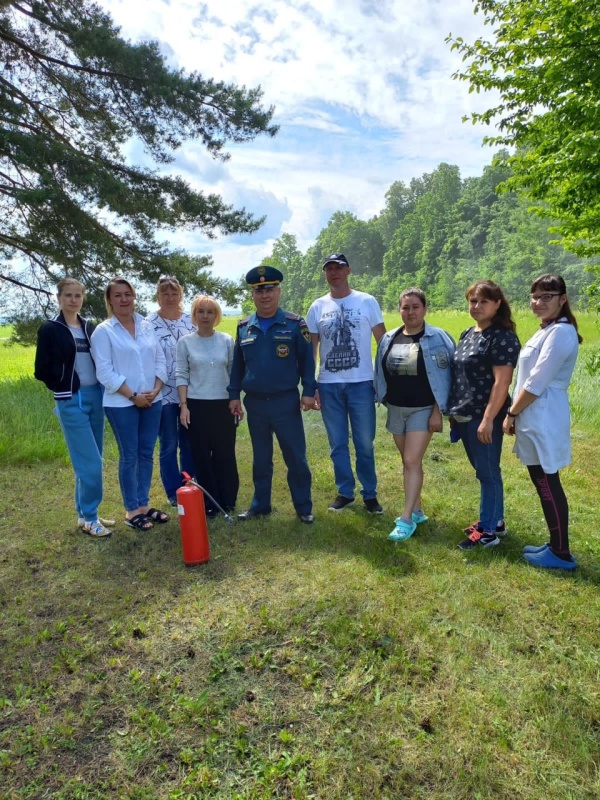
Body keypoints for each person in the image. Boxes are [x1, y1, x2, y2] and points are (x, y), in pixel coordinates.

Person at [503, 275, 581, 571]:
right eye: (535, 296)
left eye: (547, 296)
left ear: (562, 299)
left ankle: (561, 552)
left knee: (547, 481)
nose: (539, 302)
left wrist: (511, 413)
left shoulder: (561, 333)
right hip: (534, 413)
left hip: (543, 413)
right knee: (542, 479)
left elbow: (536, 382)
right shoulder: (547, 330)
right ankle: (555, 543)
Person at [228, 266, 316, 523]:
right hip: (255, 404)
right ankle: (260, 504)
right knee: (261, 458)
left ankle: (303, 507)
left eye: (269, 289)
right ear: (252, 295)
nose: (264, 295)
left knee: (296, 457)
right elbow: (238, 366)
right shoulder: (245, 326)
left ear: (278, 291)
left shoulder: (295, 323)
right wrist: (234, 394)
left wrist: (309, 391)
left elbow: (307, 361)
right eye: (259, 291)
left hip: (285, 402)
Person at [306, 253, 386, 514]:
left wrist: (381, 381)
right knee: (337, 442)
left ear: (348, 270)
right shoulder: (317, 307)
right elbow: (312, 349)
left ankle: (370, 494)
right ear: (325, 273)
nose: (334, 272)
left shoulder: (366, 301)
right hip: (328, 384)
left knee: (364, 442)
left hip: (361, 383)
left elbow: (382, 342)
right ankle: (345, 491)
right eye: (329, 268)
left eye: (338, 267)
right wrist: (311, 385)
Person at [374, 288, 455, 541]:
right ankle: (418, 509)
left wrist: (436, 411)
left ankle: (406, 519)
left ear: (424, 309)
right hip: (396, 409)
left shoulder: (439, 338)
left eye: (415, 307)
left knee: (410, 461)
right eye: (405, 307)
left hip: (423, 409)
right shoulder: (389, 338)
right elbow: (380, 370)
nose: (410, 312)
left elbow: (449, 377)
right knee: (409, 462)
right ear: (400, 309)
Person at [34, 278, 113, 538]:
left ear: (83, 298)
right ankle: (91, 519)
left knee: (91, 458)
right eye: (68, 295)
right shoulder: (50, 329)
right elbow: (41, 370)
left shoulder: (90, 328)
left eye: (78, 295)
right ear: (59, 297)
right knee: (91, 463)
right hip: (71, 399)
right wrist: (63, 387)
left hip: (96, 397)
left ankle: (83, 514)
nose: (73, 300)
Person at [91, 277, 168, 531]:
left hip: (152, 400)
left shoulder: (145, 325)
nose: (124, 299)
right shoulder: (104, 331)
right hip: (121, 403)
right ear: (110, 300)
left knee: (146, 453)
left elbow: (159, 359)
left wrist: (155, 391)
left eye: (128, 294)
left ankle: (144, 505)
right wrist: (133, 395)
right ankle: (131, 510)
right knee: (130, 454)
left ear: (134, 296)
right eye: (118, 295)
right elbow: (104, 371)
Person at [448, 280, 520, 550]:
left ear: (497, 304)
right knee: (484, 470)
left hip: (484, 416)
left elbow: (502, 383)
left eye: (483, 301)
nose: (476, 306)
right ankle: (496, 521)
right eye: (472, 301)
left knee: (488, 473)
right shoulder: (468, 333)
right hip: (465, 414)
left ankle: (487, 530)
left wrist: (489, 419)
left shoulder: (502, 337)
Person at [176, 294, 239, 516]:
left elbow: (233, 372)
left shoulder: (226, 341)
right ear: (194, 315)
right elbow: (181, 374)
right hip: (196, 405)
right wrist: (183, 405)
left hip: (223, 404)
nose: (205, 316)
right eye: (200, 312)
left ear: (217, 316)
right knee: (202, 455)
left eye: (210, 312)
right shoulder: (185, 342)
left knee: (224, 453)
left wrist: (236, 399)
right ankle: (210, 502)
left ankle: (228, 499)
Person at [146, 276, 195, 506]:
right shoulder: (148, 324)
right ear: (158, 296)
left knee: (189, 442)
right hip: (162, 394)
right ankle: (173, 493)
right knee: (168, 444)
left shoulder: (190, 321)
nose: (169, 298)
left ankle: (190, 485)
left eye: (174, 293)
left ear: (180, 296)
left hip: (189, 391)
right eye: (165, 293)